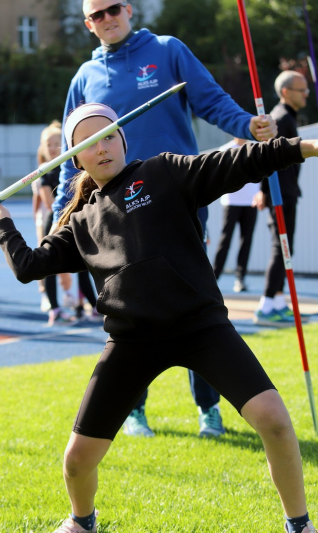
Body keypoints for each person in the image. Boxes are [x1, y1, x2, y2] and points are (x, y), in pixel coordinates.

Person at [0, 103, 318, 533]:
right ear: (75, 158)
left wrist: (310, 147)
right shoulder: (81, 223)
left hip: (200, 327)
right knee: (76, 461)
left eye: (108, 136)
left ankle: (299, 524)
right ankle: (82, 522)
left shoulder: (162, 172)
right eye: (88, 143)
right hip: (132, 342)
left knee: (273, 420)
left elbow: (241, 160)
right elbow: (28, 266)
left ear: (123, 140)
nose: (102, 148)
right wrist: (2, 220)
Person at [52, 0, 278, 438]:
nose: (107, 18)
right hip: (114, 213)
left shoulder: (168, 49)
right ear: (88, 24)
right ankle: (134, 411)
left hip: (176, 200)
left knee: (196, 302)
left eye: (112, 9)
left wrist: (247, 126)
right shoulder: (85, 77)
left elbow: (211, 100)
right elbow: (70, 154)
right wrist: (63, 213)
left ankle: (208, 408)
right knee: (128, 314)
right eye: (97, 15)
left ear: (128, 9)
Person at [252, 70, 309, 325]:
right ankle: (266, 306)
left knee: (286, 247)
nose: (306, 94)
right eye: (301, 89)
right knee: (281, 246)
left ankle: (277, 301)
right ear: (286, 92)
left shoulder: (287, 117)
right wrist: (265, 190)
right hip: (280, 193)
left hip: (286, 191)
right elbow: (266, 156)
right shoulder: (281, 118)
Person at [36, 122, 78, 319]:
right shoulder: (44, 171)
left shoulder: (71, 166)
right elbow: (48, 202)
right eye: (49, 144)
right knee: (51, 263)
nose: (53, 148)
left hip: (73, 219)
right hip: (54, 221)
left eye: (57, 143)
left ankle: (83, 303)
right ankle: (54, 307)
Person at [212, 137, 259, 291]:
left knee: (246, 240)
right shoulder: (225, 150)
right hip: (231, 202)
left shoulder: (256, 148)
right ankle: (214, 278)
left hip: (251, 202)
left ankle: (240, 278)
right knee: (225, 240)